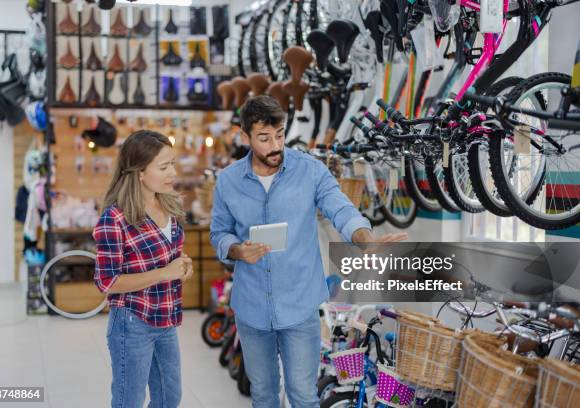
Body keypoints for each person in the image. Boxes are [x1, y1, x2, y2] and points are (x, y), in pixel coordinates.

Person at [210, 95, 407, 407]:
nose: (274, 145)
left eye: (279, 135)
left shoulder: (310, 171)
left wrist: (363, 237)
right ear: (245, 136)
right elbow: (219, 232)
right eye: (264, 138)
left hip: (299, 306)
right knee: (262, 394)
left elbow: (340, 208)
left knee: (303, 395)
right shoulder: (229, 181)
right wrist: (235, 250)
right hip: (251, 307)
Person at [93, 130, 193, 408]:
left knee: (169, 397)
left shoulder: (168, 204)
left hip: (166, 318)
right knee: (130, 401)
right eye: (163, 167)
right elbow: (107, 282)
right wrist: (165, 273)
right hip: (132, 322)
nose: (172, 172)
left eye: (172, 163)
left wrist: (183, 265)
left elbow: (166, 255)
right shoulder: (115, 218)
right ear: (139, 172)